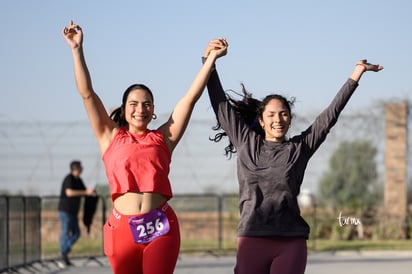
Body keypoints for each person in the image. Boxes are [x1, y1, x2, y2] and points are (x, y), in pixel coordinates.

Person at [203, 39, 383, 274]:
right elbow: (220, 104)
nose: (278, 119)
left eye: (284, 114)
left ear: (289, 119)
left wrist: (356, 74)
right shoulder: (246, 142)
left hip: (291, 241)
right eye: (272, 115)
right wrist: (210, 61)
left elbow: (329, 116)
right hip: (251, 237)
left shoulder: (299, 148)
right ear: (261, 120)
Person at [61, 20, 227, 274]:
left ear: (153, 111)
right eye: (134, 104)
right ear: (125, 108)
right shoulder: (109, 136)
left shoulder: (164, 137)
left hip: (161, 226)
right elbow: (87, 94)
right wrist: (76, 50)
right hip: (121, 230)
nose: (141, 109)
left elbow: (190, 98)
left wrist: (210, 60)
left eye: (147, 104)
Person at [58, 160, 95, 266]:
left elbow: (85, 191)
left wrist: (90, 192)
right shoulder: (68, 178)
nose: (82, 168)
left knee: (76, 233)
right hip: (65, 211)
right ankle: (63, 254)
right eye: (80, 167)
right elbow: (69, 192)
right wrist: (85, 192)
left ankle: (64, 251)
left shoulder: (79, 180)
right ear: (76, 168)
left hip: (73, 212)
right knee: (65, 232)